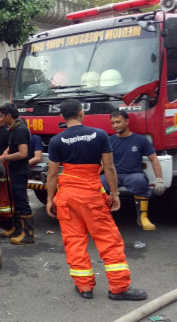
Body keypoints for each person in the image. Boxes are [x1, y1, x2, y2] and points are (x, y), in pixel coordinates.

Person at [46, 99, 146, 301]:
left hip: (67, 196)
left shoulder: (57, 141)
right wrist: (115, 194)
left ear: (62, 118)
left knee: (74, 241)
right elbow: (109, 168)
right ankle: (118, 287)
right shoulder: (99, 135)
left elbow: (52, 174)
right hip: (91, 195)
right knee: (108, 240)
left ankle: (84, 287)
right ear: (82, 113)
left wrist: (50, 199)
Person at [99, 110, 166, 231]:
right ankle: (104, 219)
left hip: (133, 174)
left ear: (127, 121)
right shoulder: (109, 140)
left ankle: (143, 217)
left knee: (139, 181)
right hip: (114, 174)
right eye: (113, 123)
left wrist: (159, 179)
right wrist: (93, 176)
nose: (115, 126)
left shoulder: (140, 140)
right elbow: (104, 163)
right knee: (99, 184)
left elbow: (154, 160)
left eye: (118, 122)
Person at [0, 104, 33, 244]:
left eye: (2, 116)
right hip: (14, 170)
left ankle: (28, 234)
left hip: (19, 170)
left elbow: (23, 153)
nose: (0, 119)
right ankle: (17, 229)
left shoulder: (20, 130)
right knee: (15, 200)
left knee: (21, 200)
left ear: (9, 116)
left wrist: (5, 158)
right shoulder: (14, 129)